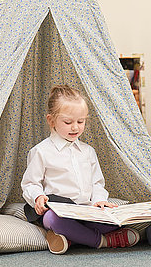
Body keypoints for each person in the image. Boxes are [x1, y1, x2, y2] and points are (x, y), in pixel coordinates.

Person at [21, 85, 139, 254]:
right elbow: (30, 183)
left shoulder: (88, 151)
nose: (75, 128)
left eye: (80, 122)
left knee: (112, 220)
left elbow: (97, 183)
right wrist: (38, 196)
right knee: (54, 220)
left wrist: (99, 200)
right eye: (68, 122)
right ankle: (102, 241)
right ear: (51, 120)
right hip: (57, 210)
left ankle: (70, 238)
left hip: (86, 211)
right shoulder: (41, 151)